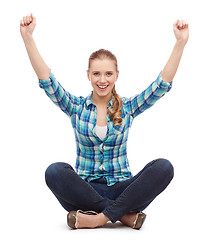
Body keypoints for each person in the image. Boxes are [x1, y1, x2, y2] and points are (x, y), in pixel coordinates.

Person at [20, 13, 189, 230]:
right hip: (84, 192)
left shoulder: (128, 107)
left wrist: (180, 43)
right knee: (54, 171)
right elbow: (48, 82)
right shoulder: (76, 107)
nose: (102, 80)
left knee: (164, 167)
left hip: (124, 191)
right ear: (88, 75)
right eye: (97, 74)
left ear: (117, 75)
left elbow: (161, 86)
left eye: (108, 73)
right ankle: (123, 216)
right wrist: (28, 38)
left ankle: (97, 218)